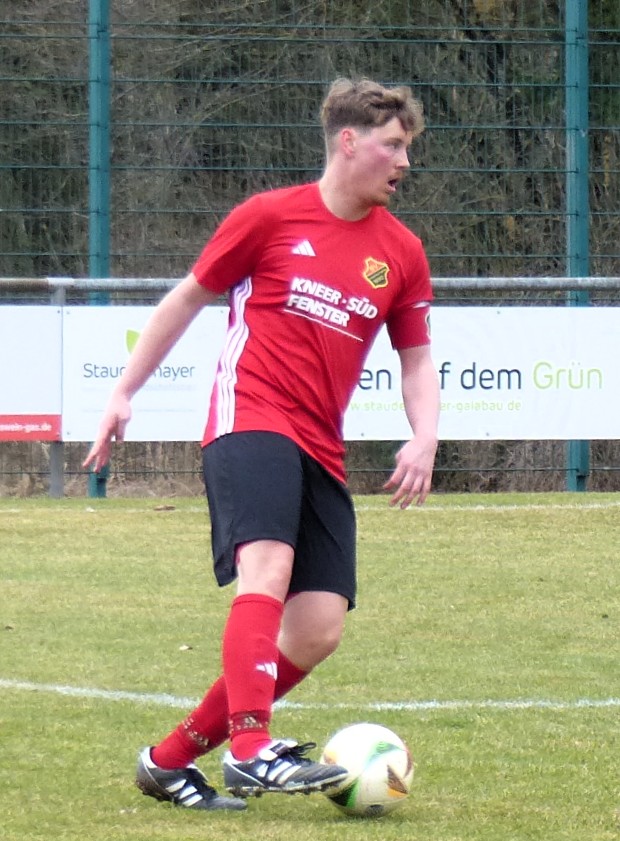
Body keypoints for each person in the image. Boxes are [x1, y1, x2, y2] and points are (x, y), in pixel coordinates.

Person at [83, 76, 440, 811]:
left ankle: (168, 762)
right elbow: (186, 298)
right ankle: (251, 750)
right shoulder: (270, 216)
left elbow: (416, 359)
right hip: (250, 418)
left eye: (408, 147)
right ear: (349, 142)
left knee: (317, 629)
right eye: (394, 145)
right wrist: (123, 390)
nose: (405, 161)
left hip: (321, 445)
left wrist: (425, 436)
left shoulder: (402, 251)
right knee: (267, 568)